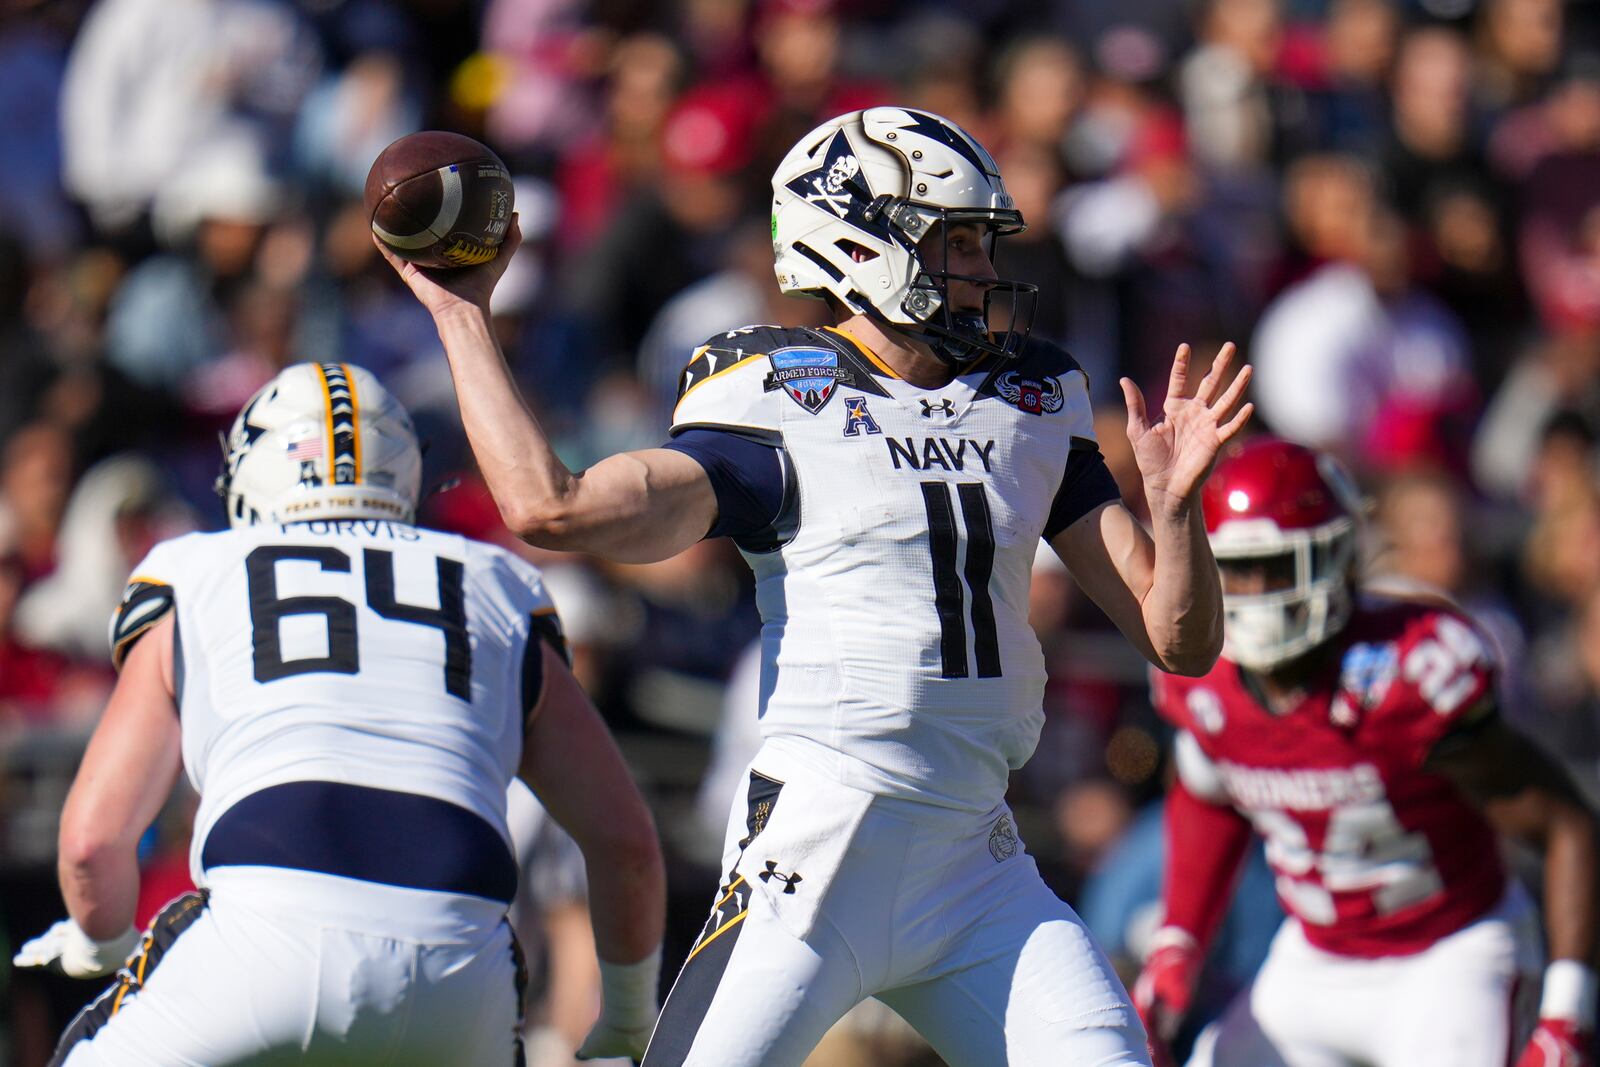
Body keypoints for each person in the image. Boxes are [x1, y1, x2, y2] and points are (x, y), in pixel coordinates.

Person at [379, 106, 1253, 1067]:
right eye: (954, 239)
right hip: (821, 848)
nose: (982, 268)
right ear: (859, 238)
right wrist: (462, 316)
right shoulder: (781, 394)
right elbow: (553, 509)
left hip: (975, 857)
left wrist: (1177, 515)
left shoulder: (1030, 397)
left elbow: (1181, 642)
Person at [10, 361, 666, 1065]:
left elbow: (91, 841)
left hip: (261, 939)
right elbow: (626, 843)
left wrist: (99, 940)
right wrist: (627, 1017)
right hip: (457, 969)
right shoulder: (498, 582)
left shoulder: (197, 570)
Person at [1133, 437, 1599, 1067]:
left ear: (1339, 556)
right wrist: (1176, 945)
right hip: (1315, 957)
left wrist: (1569, 1012)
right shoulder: (1204, 676)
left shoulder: (1411, 670)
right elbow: (1208, 795)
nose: (1259, 591)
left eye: (1278, 566)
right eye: (1239, 568)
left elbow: (1566, 825)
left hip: (1445, 956)